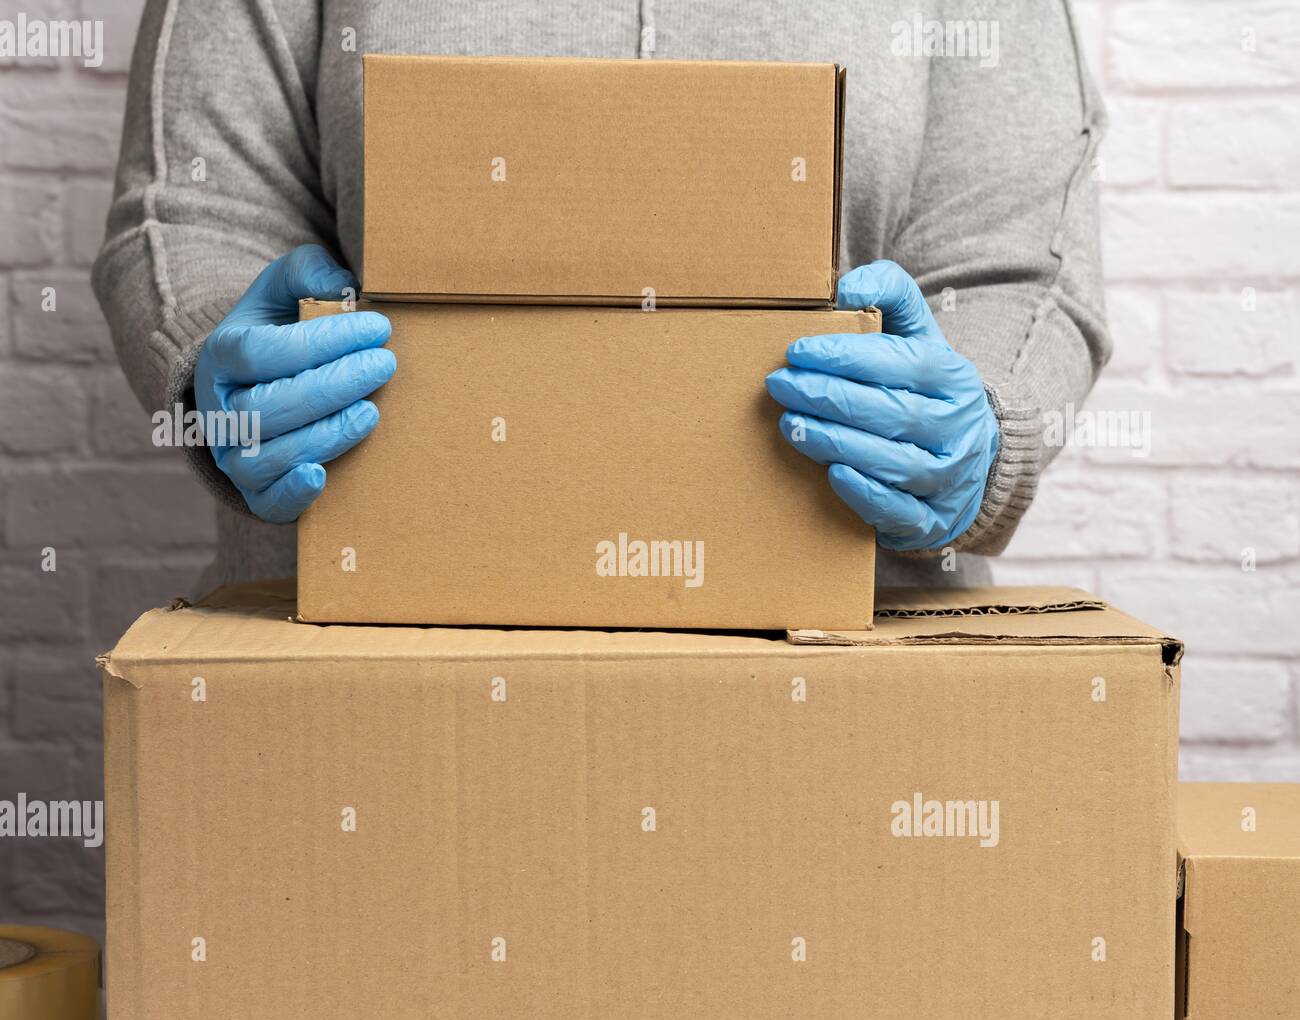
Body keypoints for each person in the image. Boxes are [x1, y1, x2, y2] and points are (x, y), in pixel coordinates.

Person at [93, 0, 1109, 594]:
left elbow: (1013, 254)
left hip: (847, 662)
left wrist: (977, 428)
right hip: (361, 661)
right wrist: (214, 373)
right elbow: (191, 210)